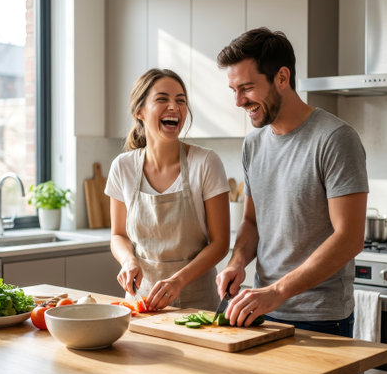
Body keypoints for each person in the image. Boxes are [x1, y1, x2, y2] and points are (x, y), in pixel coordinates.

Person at [215, 28, 368, 336]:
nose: (238, 101)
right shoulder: (253, 145)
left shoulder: (335, 139)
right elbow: (252, 222)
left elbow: (350, 238)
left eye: (246, 88)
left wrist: (277, 292)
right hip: (260, 311)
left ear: (282, 78)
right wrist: (236, 262)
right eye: (233, 90)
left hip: (320, 318)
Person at [105, 68, 230, 311]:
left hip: (198, 305)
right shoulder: (123, 167)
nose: (174, 107)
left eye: (180, 101)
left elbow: (220, 242)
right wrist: (128, 260)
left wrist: (177, 281)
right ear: (139, 111)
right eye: (162, 99)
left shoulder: (205, 163)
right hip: (141, 303)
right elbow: (118, 235)